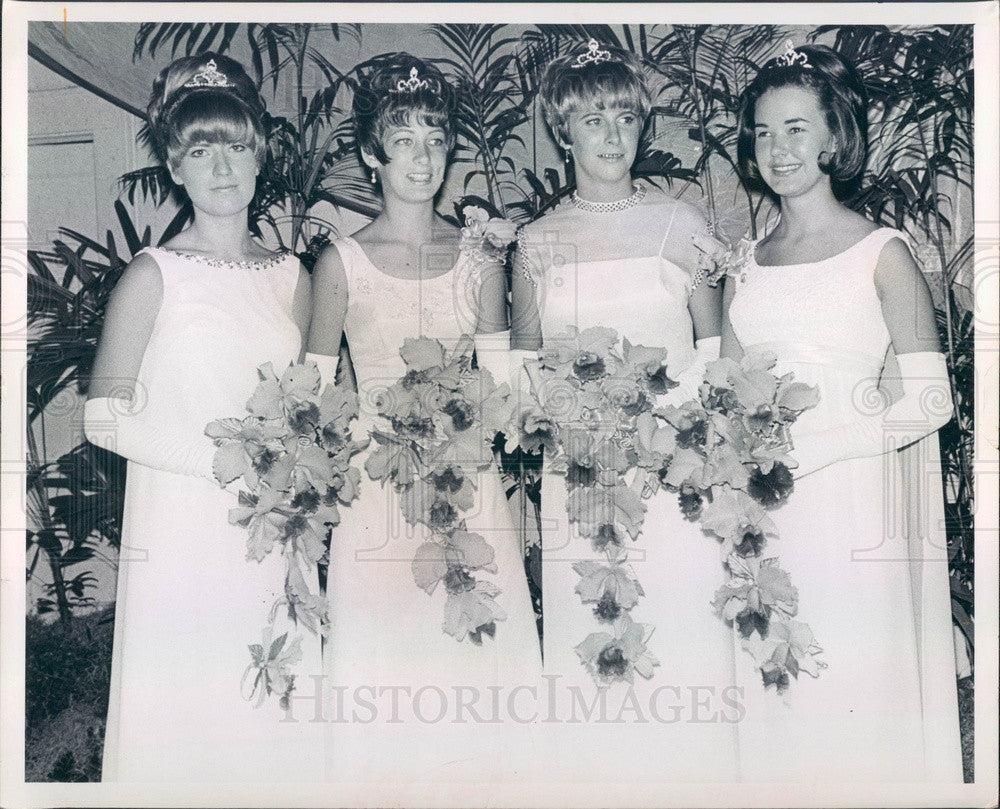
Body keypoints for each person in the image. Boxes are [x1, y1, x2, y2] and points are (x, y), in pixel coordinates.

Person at [721, 42, 962, 781]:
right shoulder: (746, 262)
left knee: (850, 682)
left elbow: (931, 397)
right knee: (776, 683)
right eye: (763, 132)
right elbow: (725, 387)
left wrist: (816, 448)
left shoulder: (881, 252)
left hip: (849, 498)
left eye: (796, 128)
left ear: (834, 137)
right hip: (765, 507)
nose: (778, 149)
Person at [305, 54, 542, 786]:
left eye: (435, 138)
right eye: (402, 139)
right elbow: (313, 398)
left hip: (469, 488)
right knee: (391, 676)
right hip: (380, 493)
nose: (422, 157)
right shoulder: (340, 263)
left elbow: (502, 381)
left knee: (475, 670)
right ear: (372, 154)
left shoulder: (481, 256)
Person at [85, 53, 322, 782]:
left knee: (276, 716)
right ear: (175, 165)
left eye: (236, 145)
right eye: (199, 149)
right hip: (184, 528)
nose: (221, 166)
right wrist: (215, 459)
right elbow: (102, 418)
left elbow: (309, 407)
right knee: (196, 721)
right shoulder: (153, 274)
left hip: (276, 529)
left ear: (259, 156)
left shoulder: (292, 274)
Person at [511, 39, 740, 782]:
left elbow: (715, 354)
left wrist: (678, 436)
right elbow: (525, 374)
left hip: (671, 472)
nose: (612, 136)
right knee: (596, 641)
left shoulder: (683, 222)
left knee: (679, 633)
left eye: (624, 118)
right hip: (579, 476)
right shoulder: (535, 243)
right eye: (593, 121)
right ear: (564, 131)